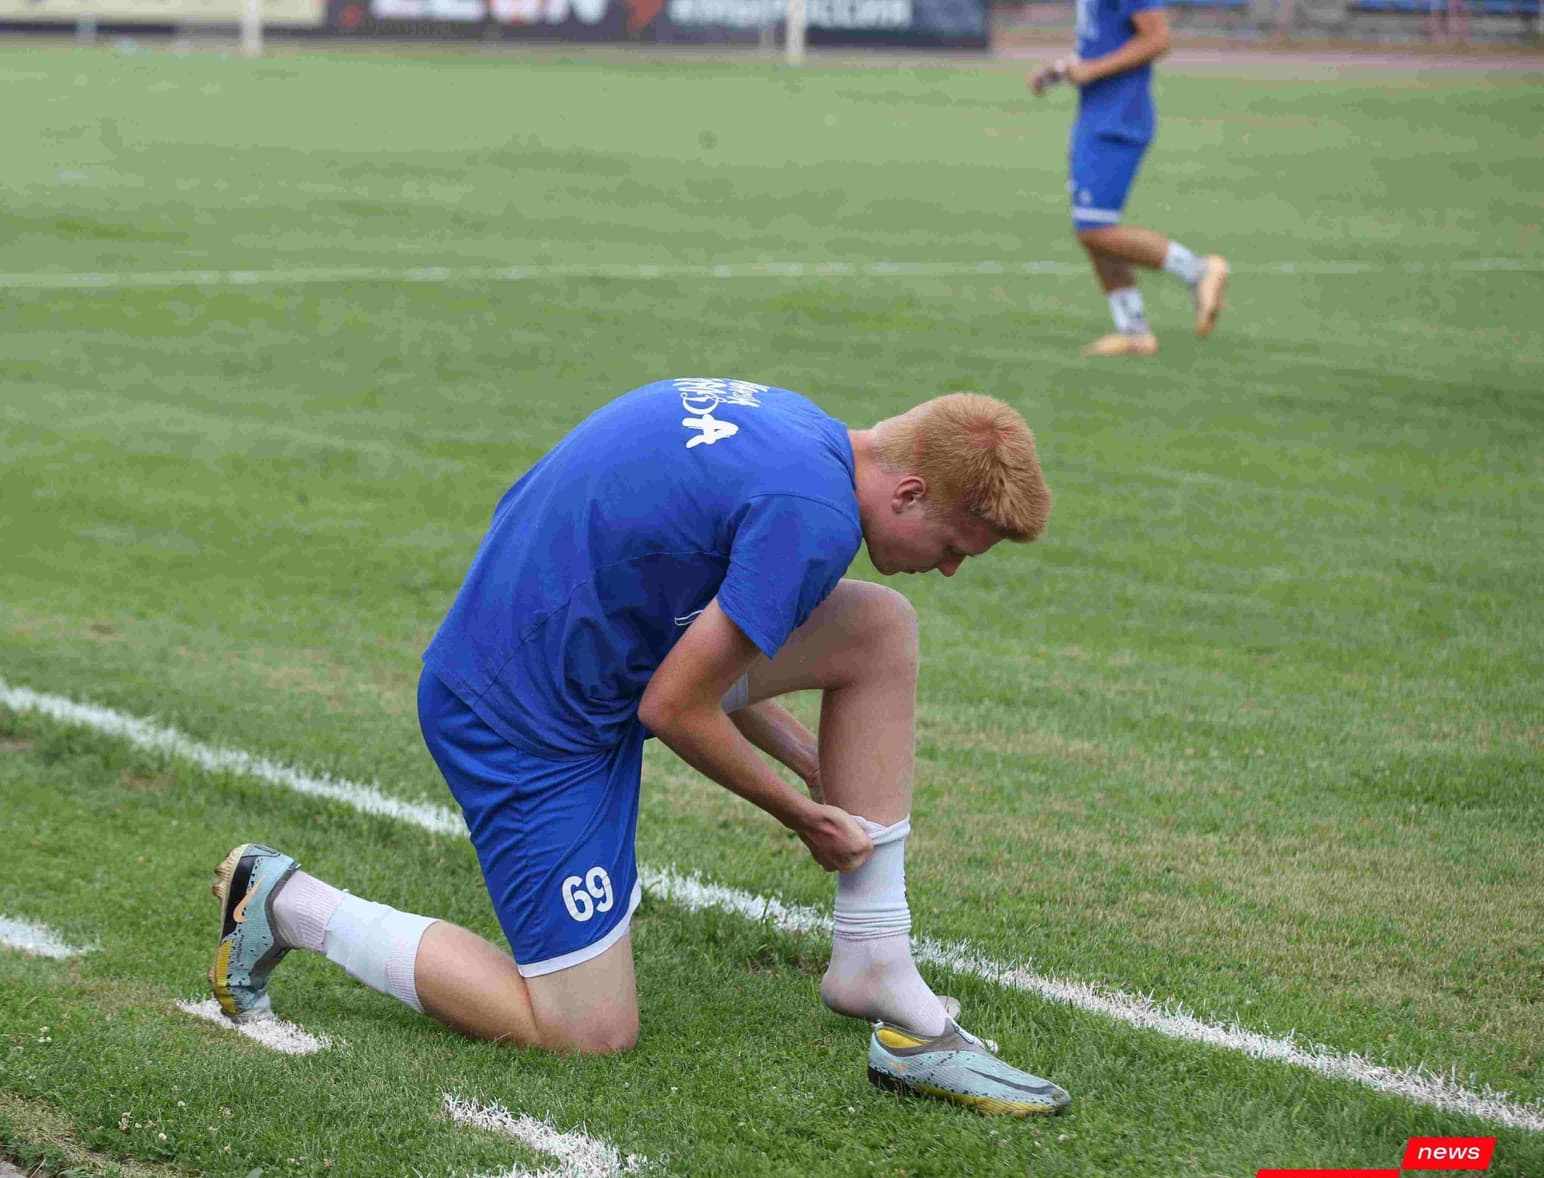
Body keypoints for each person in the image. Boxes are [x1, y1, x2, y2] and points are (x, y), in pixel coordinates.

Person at [208, 379, 1071, 1117]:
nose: (951, 568)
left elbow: (692, 643)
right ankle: (286, 902)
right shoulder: (811, 517)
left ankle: (873, 960)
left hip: (587, 658)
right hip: (521, 716)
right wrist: (801, 814)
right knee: (587, 1032)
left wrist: (808, 756)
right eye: (955, 547)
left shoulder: (804, 432)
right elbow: (676, 706)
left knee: (879, 629)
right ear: (911, 492)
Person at [1030, 0, 1228, 356]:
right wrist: (1059, 70)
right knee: (1093, 230)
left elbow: (1158, 39)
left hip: (1118, 120)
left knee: (1094, 229)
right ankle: (1134, 331)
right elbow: (1098, 41)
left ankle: (1198, 270)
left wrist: (1094, 70)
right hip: (1097, 116)